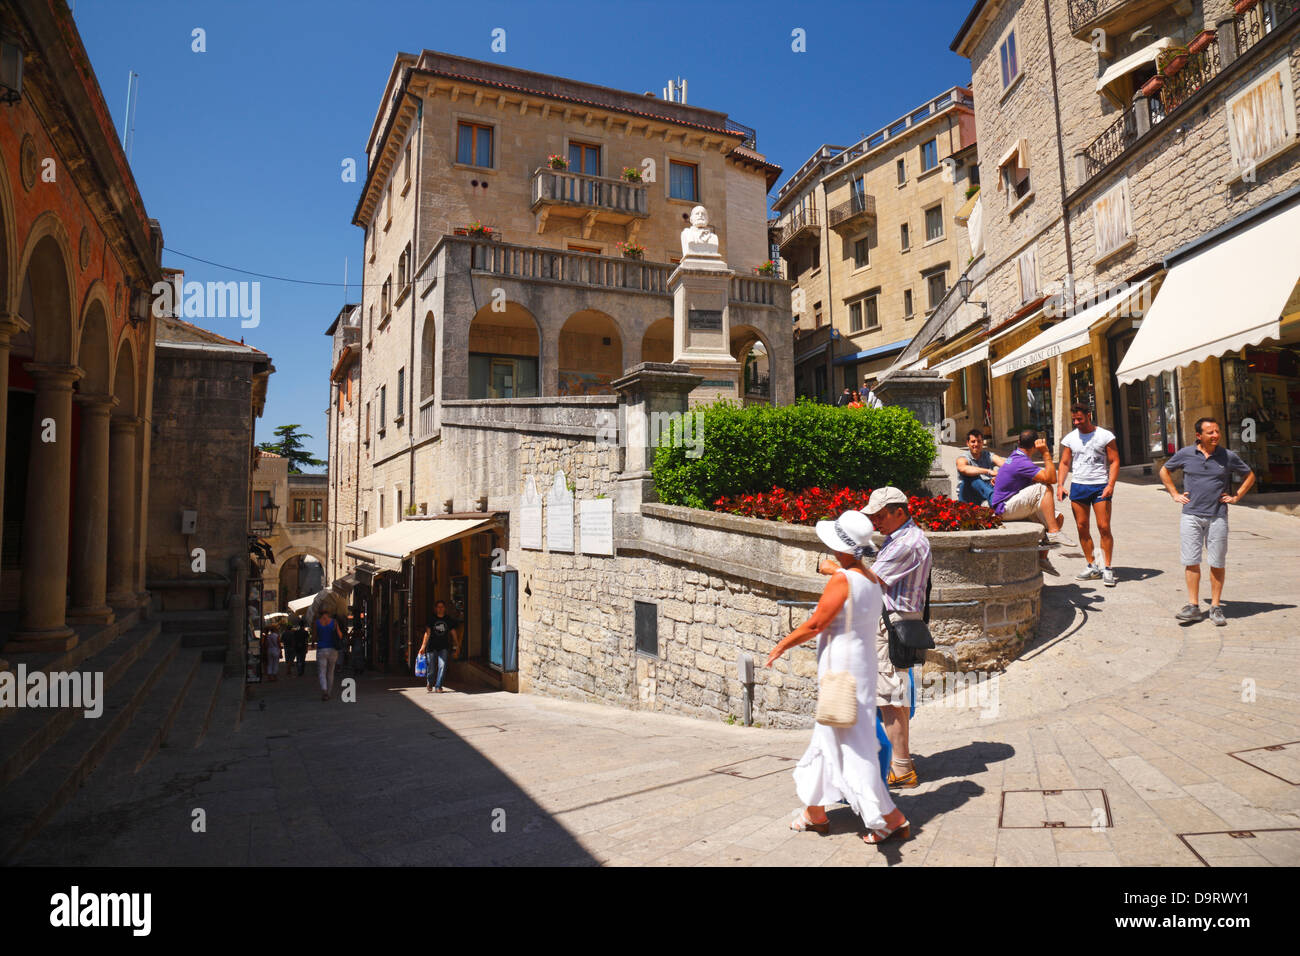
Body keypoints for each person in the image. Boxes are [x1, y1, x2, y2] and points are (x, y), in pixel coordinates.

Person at [767, 509, 910, 845]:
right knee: (826, 738)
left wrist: (781, 645)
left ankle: (890, 818)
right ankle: (814, 813)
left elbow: (816, 623)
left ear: (842, 547)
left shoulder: (844, 580)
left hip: (842, 672)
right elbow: (849, 579)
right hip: (858, 670)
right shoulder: (870, 578)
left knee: (852, 746)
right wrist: (836, 570)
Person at [1159, 417, 1256, 626]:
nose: (1215, 435)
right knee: (1191, 561)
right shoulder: (1186, 454)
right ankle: (1193, 606)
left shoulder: (1226, 456)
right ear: (1199, 436)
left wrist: (1236, 496)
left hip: (1217, 516)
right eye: (1210, 432)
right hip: (1191, 515)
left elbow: (1249, 475)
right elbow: (1164, 471)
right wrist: (1174, 494)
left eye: (1217, 431)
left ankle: (1215, 606)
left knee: (1217, 562)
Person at [1058, 403, 1120, 586]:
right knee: (1082, 526)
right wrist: (1060, 485)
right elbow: (1064, 463)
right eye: (1074, 419)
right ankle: (1092, 565)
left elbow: (1115, 461)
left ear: (1089, 415)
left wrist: (1111, 485)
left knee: (1103, 526)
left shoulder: (1105, 436)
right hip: (1079, 486)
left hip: (1100, 485)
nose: (1077, 422)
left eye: (1080, 419)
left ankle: (1107, 567)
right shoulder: (1070, 438)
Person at [990, 429, 1065, 575]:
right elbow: (1052, 479)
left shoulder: (1016, 456)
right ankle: (1054, 532)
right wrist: (1045, 453)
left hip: (1011, 504)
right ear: (1035, 446)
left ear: (1018, 443)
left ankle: (1042, 559)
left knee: (1057, 518)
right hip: (1004, 508)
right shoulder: (1021, 461)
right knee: (1044, 487)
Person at [417, 599, 461, 694]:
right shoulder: (431, 619)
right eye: (438, 607)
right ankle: (429, 682)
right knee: (431, 668)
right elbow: (427, 633)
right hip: (432, 647)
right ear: (436, 609)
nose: (440, 609)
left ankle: (438, 686)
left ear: (445, 608)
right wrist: (423, 647)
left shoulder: (448, 620)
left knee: (443, 665)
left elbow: (453, 633)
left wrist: (457, 645)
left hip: (444, 647)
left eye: (442, 607)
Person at [955, 429, 1006, 505]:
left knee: (1006, 477)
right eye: (973, 441)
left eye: (979, 441)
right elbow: (962, 468)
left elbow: (1007, 466)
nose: (976, 444)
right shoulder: (962, 458)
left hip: (987, 489)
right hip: (969, 493)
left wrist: (998, 476)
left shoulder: (988, 455)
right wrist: (988, 471)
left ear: (982, 443)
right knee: (972, 478)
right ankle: (992, 497)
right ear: (967, 443)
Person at [315, 608, 344, 701]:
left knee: (322, 672)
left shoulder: (317, 623)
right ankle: (329, 692)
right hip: (332, 649)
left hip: (321, 649)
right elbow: (340, 635)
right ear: (329, 614)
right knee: (330, 672)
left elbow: (315, 636)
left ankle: (324, 690)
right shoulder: (334, 622)